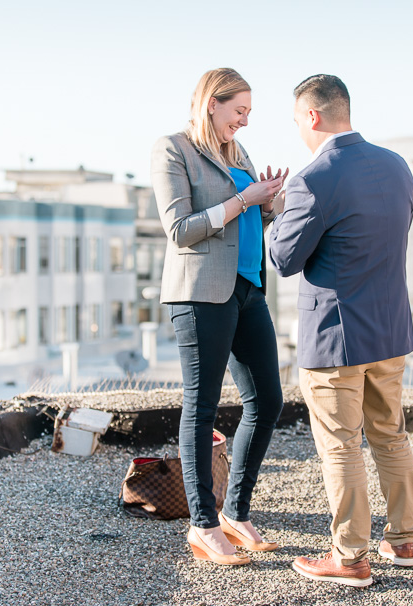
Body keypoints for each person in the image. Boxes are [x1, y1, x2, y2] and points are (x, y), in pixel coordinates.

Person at [268, 74, 413, 587]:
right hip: (390, 329)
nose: (299, 132)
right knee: (390, 434)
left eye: (297, 121)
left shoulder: (313, 178)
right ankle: (403, 540)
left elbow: (284, 258)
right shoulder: (397, 166)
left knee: (340, 445)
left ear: (312, 116)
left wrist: (276, 214)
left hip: (336, 336)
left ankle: (351, 556)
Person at [151, 68, 288, 566]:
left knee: (268, 399)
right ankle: (203, 525)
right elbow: (181, 229)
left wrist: (267, 203)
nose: (245, 122)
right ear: (213, 102)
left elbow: (248, 217)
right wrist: (243, 200)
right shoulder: (173, 149)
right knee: (201, 405)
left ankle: (235, 512)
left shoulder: (239, 154)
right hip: (201, 295)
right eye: (239, 112)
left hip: (249, 288)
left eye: (249, 114)